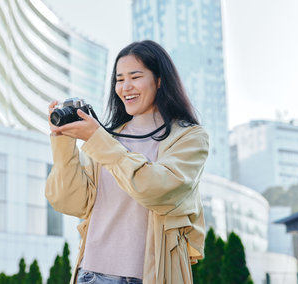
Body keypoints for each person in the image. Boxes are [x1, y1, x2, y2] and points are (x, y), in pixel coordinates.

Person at [46, 40, 209, 284]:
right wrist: (62, 142)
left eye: (135, 76)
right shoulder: (105, 138)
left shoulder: (189, 137)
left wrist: (98, 140)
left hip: (148, 276)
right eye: (119, 79)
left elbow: (155, 189)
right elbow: (71, 202)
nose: (125, 87)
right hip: (91, 274)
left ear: (160, 80)